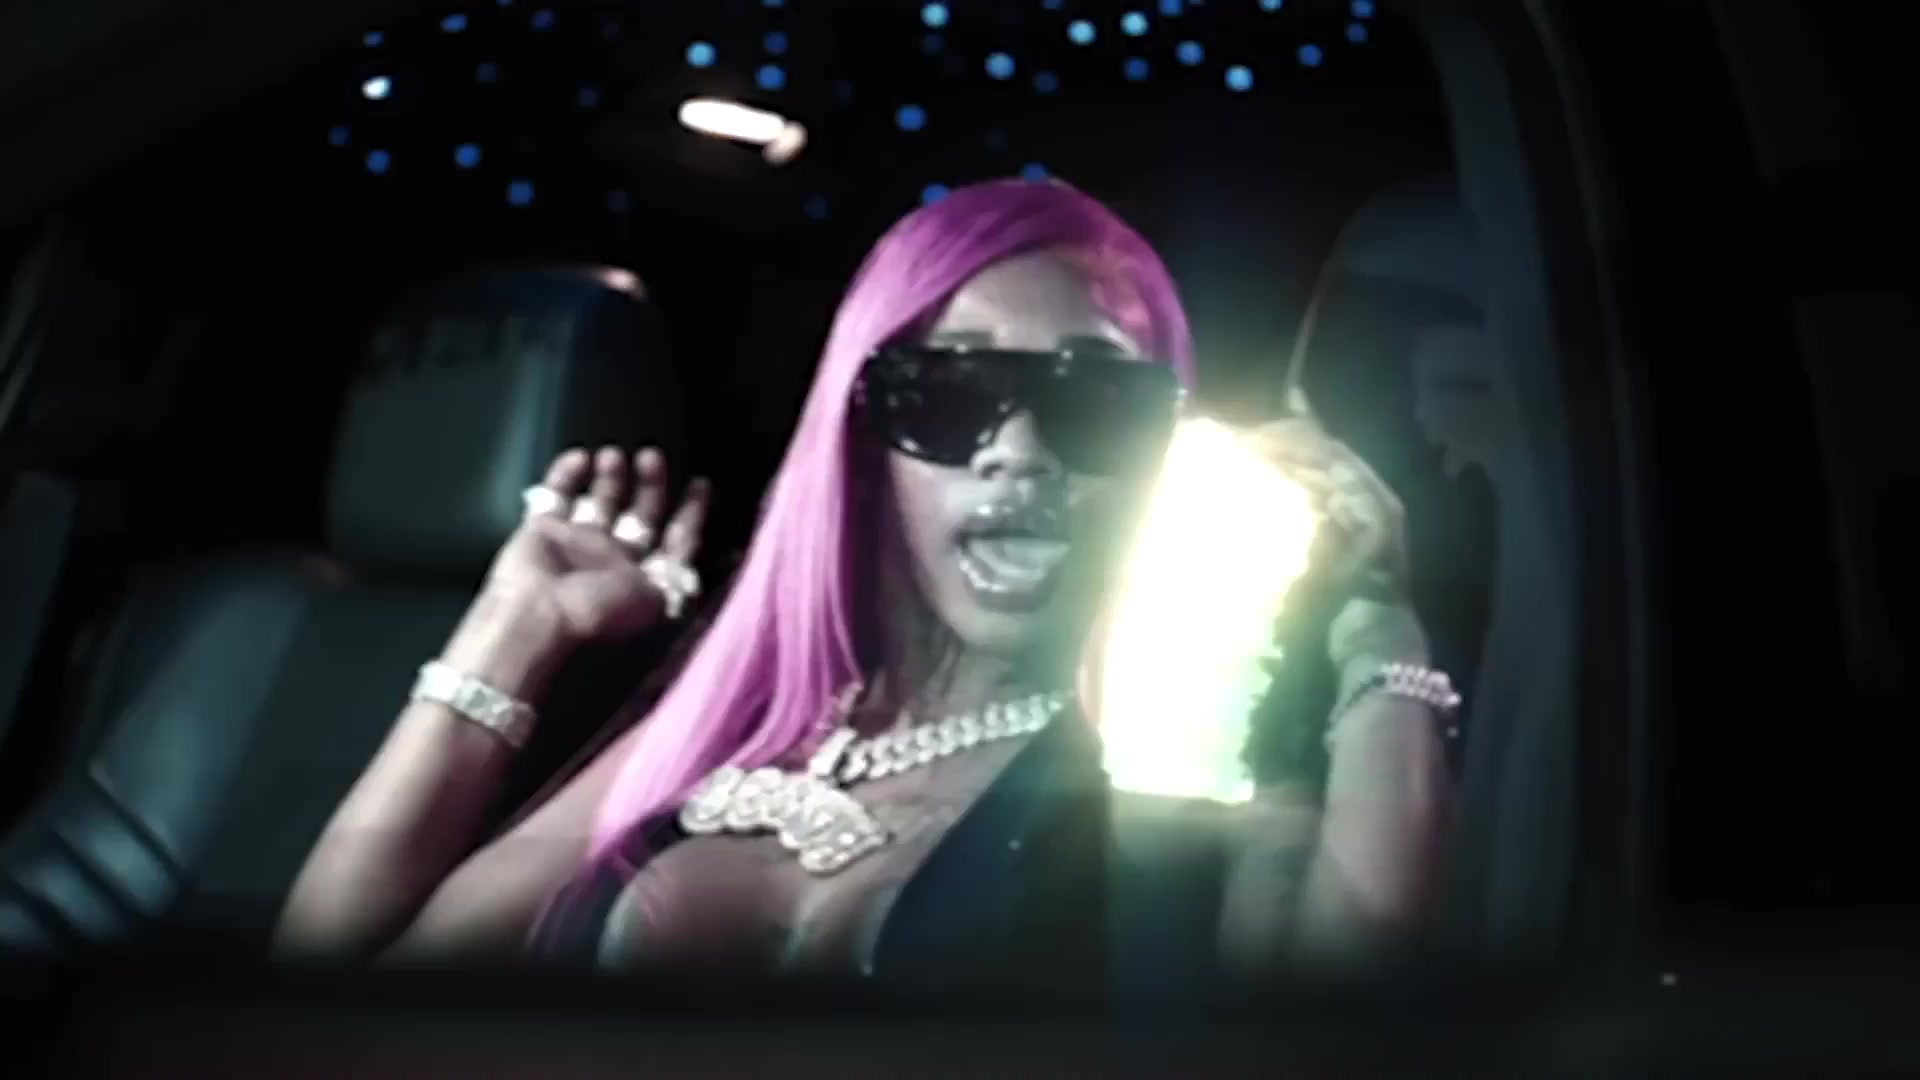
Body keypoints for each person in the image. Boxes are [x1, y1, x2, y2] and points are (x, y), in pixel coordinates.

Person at [279, 179, 1453, 982]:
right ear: (862, 442)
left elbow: (1347, 999)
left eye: (1095, 401)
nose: (1018, 450)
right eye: (946, 394)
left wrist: (1377, 625)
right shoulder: (730, 718)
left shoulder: (1188, 759)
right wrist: (514, 628)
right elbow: (337, 987)